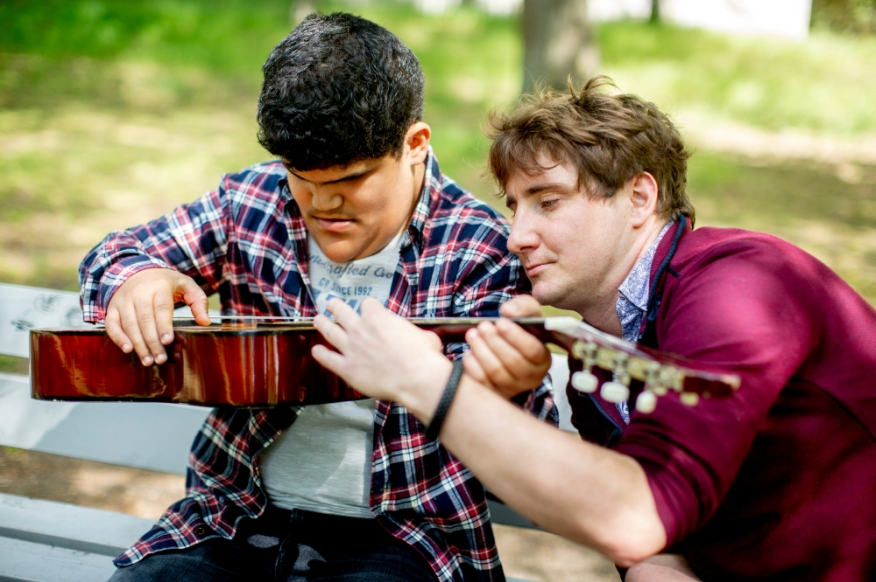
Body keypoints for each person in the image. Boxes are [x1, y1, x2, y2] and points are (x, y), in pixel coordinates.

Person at [310, 76, 876, 581]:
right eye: (515, 207)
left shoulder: (742, 287)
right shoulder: (592, 353)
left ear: (639, 196)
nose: (517, 236)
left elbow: (636, 513)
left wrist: (425, 381)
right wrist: (499, 399)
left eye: (548, 202)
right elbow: (644, 535)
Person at [79, 13, 554, 582]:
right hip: (235, 515)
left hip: (402, 538)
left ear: (415, 145)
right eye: (302, 177)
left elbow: (521, 437)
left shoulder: (480, 248)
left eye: (350, 180)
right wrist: (136, 279)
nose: (321, 203)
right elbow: (115, 254)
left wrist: (507, 386)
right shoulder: (252, 200)